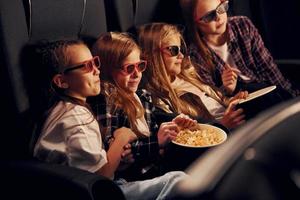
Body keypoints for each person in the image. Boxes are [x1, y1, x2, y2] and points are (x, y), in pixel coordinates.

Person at [32, 39, 187, 200]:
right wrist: (122, 138)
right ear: (62, 81)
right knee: (178, 181)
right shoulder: (76, 118)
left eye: (95, 63)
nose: (96, 71)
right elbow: (101, 176)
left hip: (106, 185)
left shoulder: (64, 108)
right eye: (87, 66)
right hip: (98, 193)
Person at [90, 32, 197, 180]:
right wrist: (155, 142)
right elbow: (115, 155)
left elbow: (151, 133)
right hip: (136, 178)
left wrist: (172, 126)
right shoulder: (107, 99)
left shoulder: (141, 96)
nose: (137, 74)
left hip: (156, 166)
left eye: (140, 66)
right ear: (108, 70)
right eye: (128, 69)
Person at [138, 22, 248, 129]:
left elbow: (216, 105)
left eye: (181, 49)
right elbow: (186, 136)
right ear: (151, 55)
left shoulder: (189, 76)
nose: (181, 55)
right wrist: (222, 126)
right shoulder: (158, 99)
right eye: (174, 50)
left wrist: (232, 101)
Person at [179, 0, 300, 98]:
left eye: (221, 8)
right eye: (209, 16)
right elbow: (214, 99)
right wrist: (227, 89)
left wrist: (293, 98)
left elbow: (270, 70)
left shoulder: (242, 25)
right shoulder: (194, 54)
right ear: (195, 23)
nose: (219, 17)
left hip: (268, 91)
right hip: (242, 103)